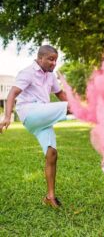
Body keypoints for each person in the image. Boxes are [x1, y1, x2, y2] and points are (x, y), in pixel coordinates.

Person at [0, 45, 70, 208]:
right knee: (67, 107)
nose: (54, 63)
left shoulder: (51, 76)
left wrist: (75, 103)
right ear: (40, 58)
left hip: (42, 117)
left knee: (52, 153)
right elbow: (12, 94)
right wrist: (7, 116)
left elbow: (60, 95)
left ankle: (50, 197)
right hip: (29, 112)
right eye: (50, 59)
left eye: (55, 60)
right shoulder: (27, 73)